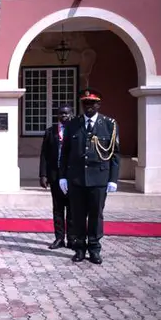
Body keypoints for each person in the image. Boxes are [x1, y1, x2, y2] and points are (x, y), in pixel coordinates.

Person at [58, 88, 120, 265]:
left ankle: (94, 248)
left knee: (96, 215)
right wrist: (63, 176)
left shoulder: (109, 124)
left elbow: (114, 154)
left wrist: (113, 179)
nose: (88, 106)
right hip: (77, 179)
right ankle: (79, 248)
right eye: (85, 103)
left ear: (98, 104)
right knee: (77, 216)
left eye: (92, 103)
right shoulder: (73, 124)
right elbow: (65, 153)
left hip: (99, 179)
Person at [39, 104, 74, 249]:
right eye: (61, 113)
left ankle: (72, 239)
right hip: (55, 176)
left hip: (72, 177)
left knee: (72, 210)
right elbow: (44, 155)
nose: (64, 116)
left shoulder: (76, 131)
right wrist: (43, 174)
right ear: (57, 115)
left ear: (71, 114)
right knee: (58, 209)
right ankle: (59, 238)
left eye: (66, 113)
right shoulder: (50, 132)